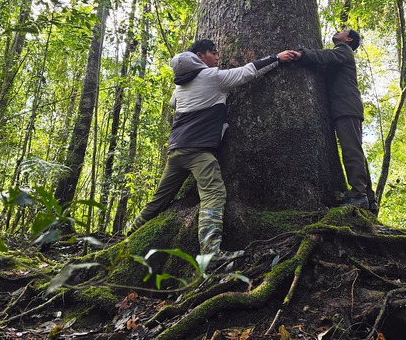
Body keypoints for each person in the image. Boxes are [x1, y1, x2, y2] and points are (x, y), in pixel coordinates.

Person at [128, 39, 299, 263]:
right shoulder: (212, 77)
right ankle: (210, 253)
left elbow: (172, 103)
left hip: (176, 150)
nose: (218, 56)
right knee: (213, 194)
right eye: (213, 52)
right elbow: (247, 72)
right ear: (200, 57)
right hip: (198, 151)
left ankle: (129, 234)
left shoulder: (180, 87)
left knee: (159, 199)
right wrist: (277, 58)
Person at [295, 29, 377, 213]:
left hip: (347, 107)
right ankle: (369, 199)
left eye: (342, 31)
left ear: (348, 39)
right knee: (354, 149)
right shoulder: (339, 56)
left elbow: (324, 56)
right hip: (344, 108)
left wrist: (303, 54)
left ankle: (359, 195)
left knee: (351, 151)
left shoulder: (344, 50)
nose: (338, 31)